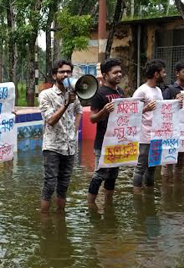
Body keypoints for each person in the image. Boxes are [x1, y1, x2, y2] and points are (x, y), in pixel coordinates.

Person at [38, 60, 82, 213]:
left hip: (69, 147)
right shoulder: (46, 95)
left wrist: (74, 131)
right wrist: (65, 104)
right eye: (62, 72)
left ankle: (60, 217)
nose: (66, 75)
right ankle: (45, 220)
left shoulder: (74, 94)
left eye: (68, 72)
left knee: (63, 186)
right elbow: (50, 120)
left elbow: (79, 111)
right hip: (52, 147)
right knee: (50, 184)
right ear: (54, 75)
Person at [87, 58, 125, 207]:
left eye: (120, 71)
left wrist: (145, 109)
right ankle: (91, 204)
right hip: (103, 142)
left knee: (113, 175)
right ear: (105, 75)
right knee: (100, 174)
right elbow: (92, 119)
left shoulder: (120, 92)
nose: (119, 75)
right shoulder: (99, 94)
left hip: (118, 142)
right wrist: (104, 111)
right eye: (115, 72)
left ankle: (108, 204)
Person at [132, 59, 164, 194]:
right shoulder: (141, 91)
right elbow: (131, 112)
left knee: (152, 168)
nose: (165, 74)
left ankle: (149, 198)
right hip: (144, 136)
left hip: (157, 136)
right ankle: (138, 197)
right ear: (156, 74)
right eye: (163, 72)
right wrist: (145, 108)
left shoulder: (158, 90)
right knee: (140, 168)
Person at [161, 61, 184, 180]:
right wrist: (174, 101)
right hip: (170, 133)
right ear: (177, 74)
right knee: (167, 163)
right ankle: (166, 191)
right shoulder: (169, 90)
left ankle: (176, 190)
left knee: (180, 164)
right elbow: (162, 109)